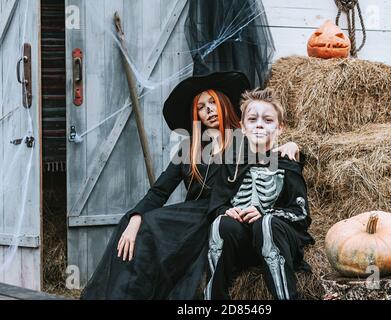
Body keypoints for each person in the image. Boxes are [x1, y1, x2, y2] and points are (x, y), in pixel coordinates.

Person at [80, 72, 300, 299]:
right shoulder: (190, 149)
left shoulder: (243, 139)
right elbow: (160, 191)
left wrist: (291, 144)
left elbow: (269, 151)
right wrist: (136, 217)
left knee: (162, 233)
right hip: (191, 215)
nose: (209, 110)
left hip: (223, 215)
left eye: (213, 102)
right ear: (197, 116)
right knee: (140, 225)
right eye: (202, 107)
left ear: (224, 103)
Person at [204, 88, 315, 300]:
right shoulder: (231, 164)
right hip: (242, 244)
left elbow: (301, 214)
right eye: (252, 119)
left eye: (268, 120)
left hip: (278, 240)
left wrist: (266, 213)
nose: (260, 125)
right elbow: (215, 207)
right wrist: (229, 211)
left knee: (266, 225)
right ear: (243, 128)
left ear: (279, 128)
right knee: (220, 224)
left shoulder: (287, 164)